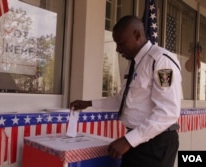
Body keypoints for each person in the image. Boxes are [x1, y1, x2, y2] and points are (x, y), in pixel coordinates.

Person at [70, 15, 181, 167]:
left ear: (137, 35)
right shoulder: (134, 63)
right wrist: (88, 103)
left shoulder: (161, 61)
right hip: (136, 139)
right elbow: (122, 100)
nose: (117, 49)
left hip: (156, 143)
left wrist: (129, 140)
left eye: (121, 43)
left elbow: (168, 112)